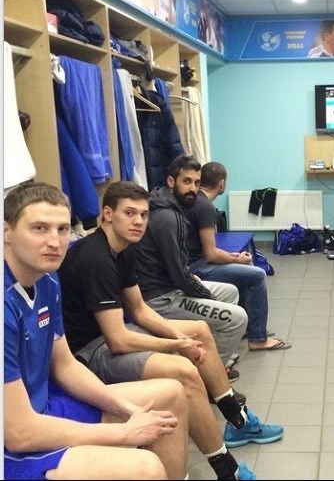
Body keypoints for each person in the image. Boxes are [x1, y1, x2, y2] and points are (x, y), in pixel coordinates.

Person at [58, 181, 282, 480]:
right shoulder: (95, 257)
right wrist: (176, 346)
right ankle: (227, 470)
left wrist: (179, 337)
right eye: (129, 213)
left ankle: (236, 420)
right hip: (90, 351)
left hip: (113, 331)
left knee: (199, 330)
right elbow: (118, 340)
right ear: (108, 214)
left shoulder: (123, 249)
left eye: (143, 214)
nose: (138, 221)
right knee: (184, 371)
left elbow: (139, 310)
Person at [4, 182, 189, 481]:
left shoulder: (47, 281)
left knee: (170, 396)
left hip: (42, 405)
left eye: (63, 229)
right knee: (146, 468)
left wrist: (127, 409)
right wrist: (123, 432)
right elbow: (19, 434)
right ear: (6, 231)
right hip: (11, 442)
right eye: (39, 228)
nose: (54, 241)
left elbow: (64, 365)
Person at [134, 156, 249, 370]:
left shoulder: (170, 206)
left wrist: (193, 282)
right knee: (238, 318)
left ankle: (210, 355)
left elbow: (177, 268)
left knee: (231, 292)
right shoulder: (167, 217)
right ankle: (211, 373)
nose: (193, 189)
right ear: (171, 182)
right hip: (161, 298)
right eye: (186, 181)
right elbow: (178, 273)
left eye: (197, 183)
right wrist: (204, 293)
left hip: (171, 285)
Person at [192, 162, 289, 352]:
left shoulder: (197, 202)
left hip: (196, 261)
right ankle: (258, 339)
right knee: (257, 275)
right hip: (196, 268)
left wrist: (232, 256)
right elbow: (210, 254)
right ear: (222, 183)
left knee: (244, 272)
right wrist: (237, 260)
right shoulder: (205, 207)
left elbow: (204, 249)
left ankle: (246, 328)